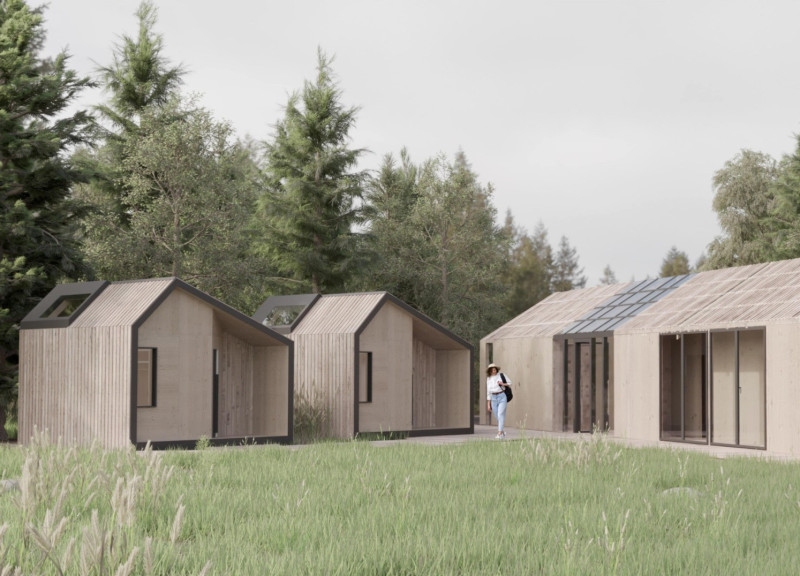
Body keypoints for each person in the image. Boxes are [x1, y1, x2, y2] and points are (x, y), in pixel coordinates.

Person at [486, 363, 511, 439]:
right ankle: (502, 432)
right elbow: (488, 392)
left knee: (500, 414)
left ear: (496, 369)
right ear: (490, 371)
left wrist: (502, 383)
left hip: (502, 396)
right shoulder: (488, 378)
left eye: (495, 369)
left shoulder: (501, 375)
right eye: (492, 370)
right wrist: (488, 404)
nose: (494, 371)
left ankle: (499, 433)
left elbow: (510, 382)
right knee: (497, 416)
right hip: (493, 398)